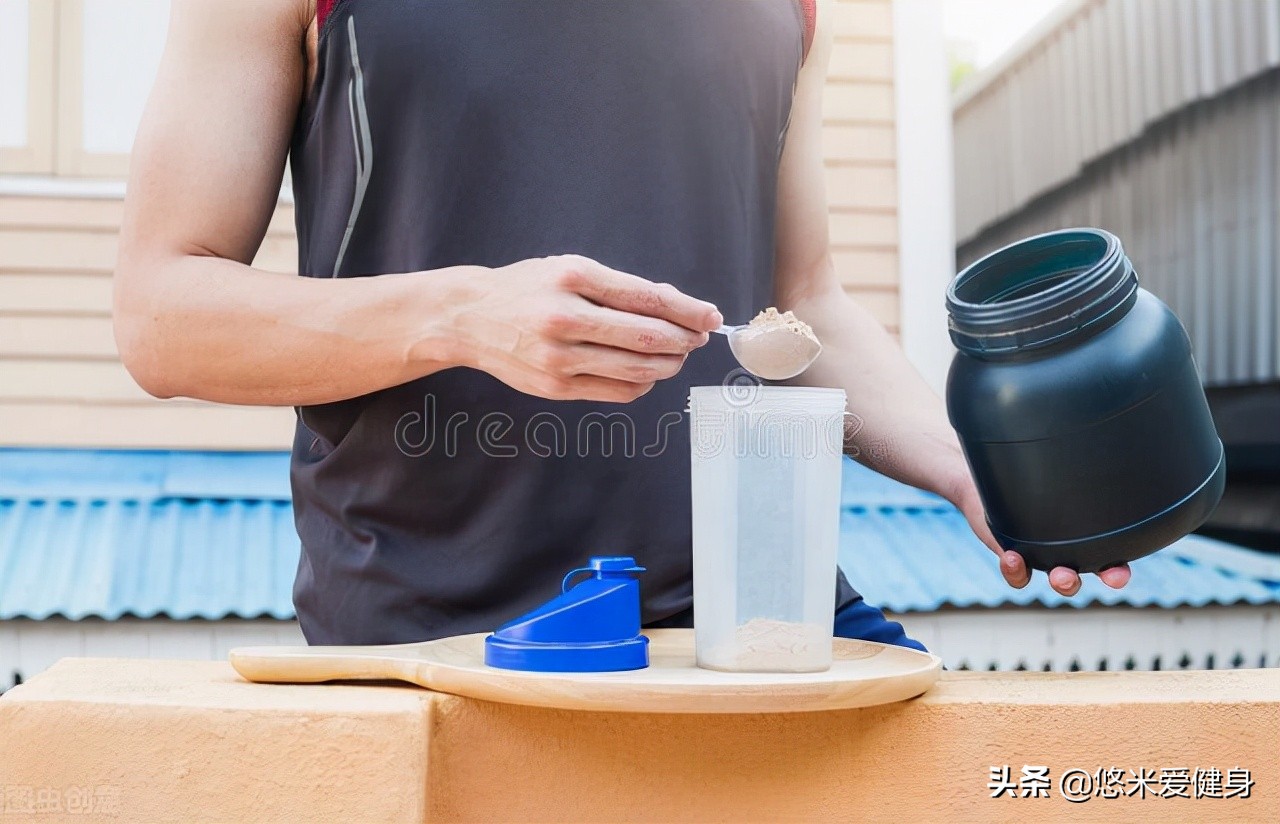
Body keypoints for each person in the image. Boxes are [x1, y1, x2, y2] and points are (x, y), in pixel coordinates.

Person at [115, 0, 1131, 651]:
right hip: (439, 638)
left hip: (758, 623)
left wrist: (967, 463)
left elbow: (800, 300)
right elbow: (162, 311)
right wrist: (460, 314)